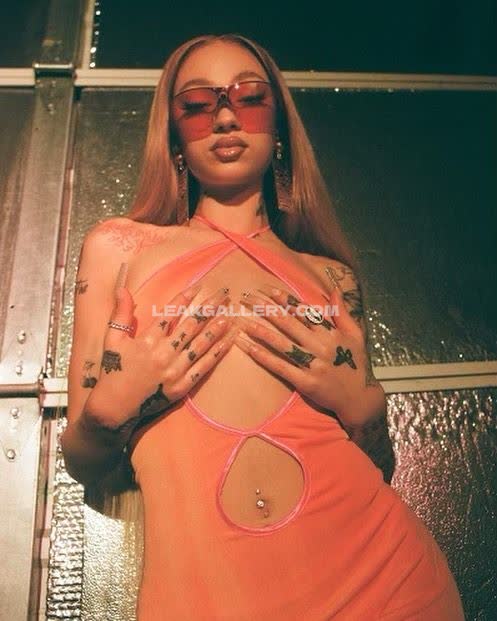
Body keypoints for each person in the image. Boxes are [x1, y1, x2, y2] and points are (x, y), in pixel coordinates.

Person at [60, 33, 465, 621]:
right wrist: (110, 410)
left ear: (279, 128)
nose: (225, 117)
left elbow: (377, 465)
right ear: (173, 137)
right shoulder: (118, 249)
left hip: (383, 583)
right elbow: (83, 461)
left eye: (249, 98)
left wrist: (365, 410)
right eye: (198, 105)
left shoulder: (331, 277)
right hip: (210, 594)